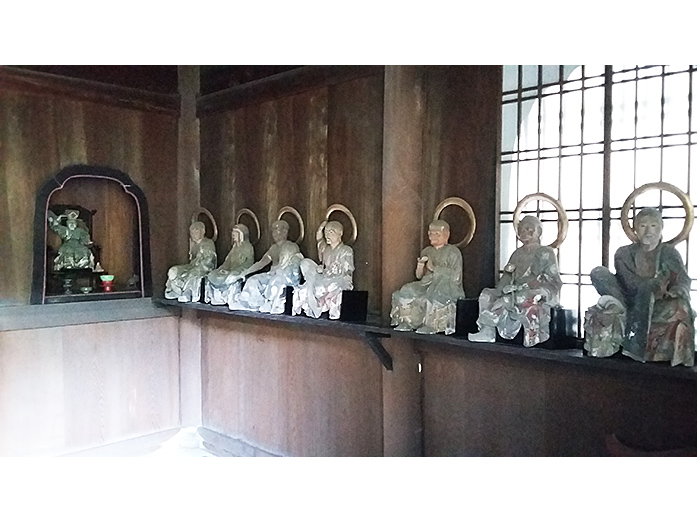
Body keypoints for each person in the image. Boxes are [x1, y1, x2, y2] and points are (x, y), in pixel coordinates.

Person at [589, 208, 694, 366]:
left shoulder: (669, 253)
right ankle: (620, 309)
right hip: (627, 297)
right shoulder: (624, 253)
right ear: (635, 229)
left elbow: (682, 279)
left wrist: (675, 291)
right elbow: (629, 282)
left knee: (680, 306)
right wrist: (651, 285)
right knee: (598, 272)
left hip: (658, 302)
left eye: (653, 226)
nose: (648, 231)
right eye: (643, 226)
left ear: (661, 228)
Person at [468, 215, 562, 347]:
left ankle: (490, 326)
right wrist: (502, 288)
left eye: (529, 229)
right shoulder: (517, 254)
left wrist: (526, 286)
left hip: (537, 291)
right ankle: (488, 330)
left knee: (510, 299)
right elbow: (507, 276)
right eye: (521, 229)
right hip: (514, 290)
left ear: (538, 232)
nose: (524, 232)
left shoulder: (546, 252)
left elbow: (552, 280)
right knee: (487, 294)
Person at [390, 220, 465, 335]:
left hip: (445, 285)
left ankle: (432, 325)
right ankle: (407, 321)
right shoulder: (427, 251)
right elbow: (419, 276)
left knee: (433, 295)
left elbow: (456, 277)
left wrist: (434, 268)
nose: (432, 236)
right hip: (426, 283)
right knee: (406, 289)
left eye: (437, 234)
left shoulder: (453, 252)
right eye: (430, 233)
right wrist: (420, 265)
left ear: (446, 235)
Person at [229, 220, 302, 314]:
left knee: (275, 282)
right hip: (272, 274)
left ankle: (273, 304)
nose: (275, 234)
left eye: (277, 231)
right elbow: (261, 263)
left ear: (285, 232)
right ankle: (252, 303)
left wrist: (281, 272)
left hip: (283, 276)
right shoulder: (273, 248)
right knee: (254, 280)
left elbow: (293, 266)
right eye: (273, 231)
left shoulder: (291, 246)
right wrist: (245, 272)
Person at [292, 220, 354, 320]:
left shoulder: (346, 250)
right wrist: (321, 228)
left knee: (332, 287)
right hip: (325, 277)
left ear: (340, 233)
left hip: (338, 279)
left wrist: (340, 276)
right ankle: (313, 306)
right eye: (326, 232)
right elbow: (319, 240)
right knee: (306, 268)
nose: (327, 235)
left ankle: (331, 309)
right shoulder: (325, 249)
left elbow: (348, 271)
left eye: (331, 232)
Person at [165, 221, 217, 302]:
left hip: (203, 267)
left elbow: (209, 259)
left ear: (203, 231)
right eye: (192, 231)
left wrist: (199, 266)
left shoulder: (208, 243)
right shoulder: (194, 245)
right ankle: (176, 291)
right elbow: (192, 261)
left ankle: (188, 293)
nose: (193, 233)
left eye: (196, 230)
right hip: (192, 266)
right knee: (174, 270)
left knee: (194, 273)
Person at [203, 223, 255, 305]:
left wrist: (233, 271)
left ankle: (228, 297)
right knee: (212, 274)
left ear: (241, 235)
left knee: (232, 276)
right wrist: (222, 269)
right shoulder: (235, 247)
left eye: (235, 234)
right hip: (229, 270)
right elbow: (227, 261)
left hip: (239, 270)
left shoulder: (248, 247)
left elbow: (248, 263)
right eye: (233, 233)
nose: (233, 235)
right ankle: (216, 297)